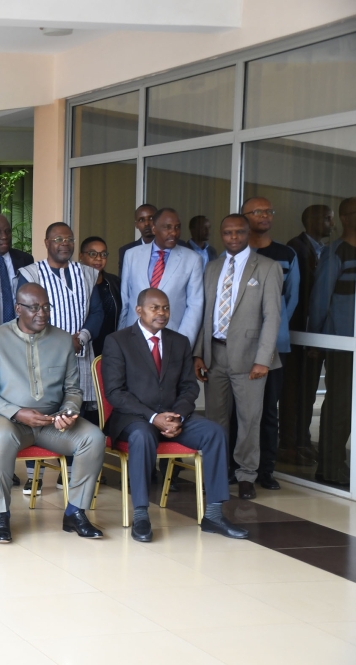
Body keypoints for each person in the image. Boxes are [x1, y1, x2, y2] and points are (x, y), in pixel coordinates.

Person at [101, 288, 248, 542]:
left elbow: (189, 387)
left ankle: (214, 515)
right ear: (139, 310)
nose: (162, 313)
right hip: (135, 418)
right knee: (142, 436)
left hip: (174, 416)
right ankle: (141, 515)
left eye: (166, 308)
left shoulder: (179, 342)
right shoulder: (118, 341)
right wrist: (153, 417)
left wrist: (177, 416)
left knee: (214, 432)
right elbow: (115, 392)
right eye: (155, 308)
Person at [0, 283, 106, 543]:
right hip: (8, 421)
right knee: (0, 438)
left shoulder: (62, 340)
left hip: (52, 422)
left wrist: (69, 411)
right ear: (18, 309)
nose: (42, 313)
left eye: (46, 307)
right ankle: (1, 516)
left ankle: (75, 512)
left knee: (94, 438)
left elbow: (73, 389)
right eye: (34, 308)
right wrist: (17, 412)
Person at [193, 214, 283, 500]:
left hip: (250, 357)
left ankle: (246, 475)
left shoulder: (267, 267)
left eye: (239, 232)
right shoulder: (212, 267)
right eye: (228, 233)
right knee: (215, 419)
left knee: (249, 419)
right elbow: (205, 314)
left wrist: (263, 359)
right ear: (221, 235)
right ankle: (218, 472)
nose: (233, 237)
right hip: (215, 354)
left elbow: (272, 317)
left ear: (248, 234)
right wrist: (199, 353)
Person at [18, 223, 103, 493]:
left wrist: (82, 336)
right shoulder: (31, 273)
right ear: (47, 242)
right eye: (58, 239)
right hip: (42, 354)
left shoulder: (87, 273)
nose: (64, 243)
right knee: (41, 411)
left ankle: (71, 474)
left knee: (75, 412)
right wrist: (56, 342)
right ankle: (34, 476)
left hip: (80, 353)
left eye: (69, 239)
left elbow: (97, 312)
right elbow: (24, 313)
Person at [243, 197, 298, 490]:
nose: (265, 215)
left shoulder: (286, 254)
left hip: (274, 345)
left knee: (268, 411)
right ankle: (236, 467)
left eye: (268, 211)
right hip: (239, 345)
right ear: (244, 217)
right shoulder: (237, 254)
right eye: (257, 211)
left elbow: (291, 298)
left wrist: (272, 329)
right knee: (239, 411)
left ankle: (266, 470)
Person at [280, 204, 334, 466]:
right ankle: (289, 444)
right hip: (299, 333)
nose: (332, 225)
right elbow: (300, 295)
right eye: (328, 219)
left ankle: (302, 440)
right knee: (293, 392)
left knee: (308, 392)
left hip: (314, 334)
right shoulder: (297, 248)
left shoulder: (322, 249)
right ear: (313, 220)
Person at [308, 197, 356, 486]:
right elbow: (320, 299)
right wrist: (315, 338)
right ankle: (329, 467)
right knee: (339, 405)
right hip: (342, 343)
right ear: (345, 218)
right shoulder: (335, 252)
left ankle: (339, 462)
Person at [120, 208, 205, 347]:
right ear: (154, 229)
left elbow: (195, 306)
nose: (174, 232)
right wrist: (122, 336)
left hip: (172, 339)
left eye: (177, 227)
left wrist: (183, 344)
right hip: (133, 337)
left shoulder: (192, 259)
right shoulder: (131, 255)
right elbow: (125, 300)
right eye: (167, 227)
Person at [79, 236, 122, 357]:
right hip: (84, 345)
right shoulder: (76, 283)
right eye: (93, 254)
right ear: (81, 256)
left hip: (110, 346)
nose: (99, 258)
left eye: (103, 254)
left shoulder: (114, 282)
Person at [116, 204, 157, 278]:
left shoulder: (175, 246)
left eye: (151, 218)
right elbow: (123, 281)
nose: (147, 223)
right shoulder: (126, 251)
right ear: (136, 224)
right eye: (141, 220)